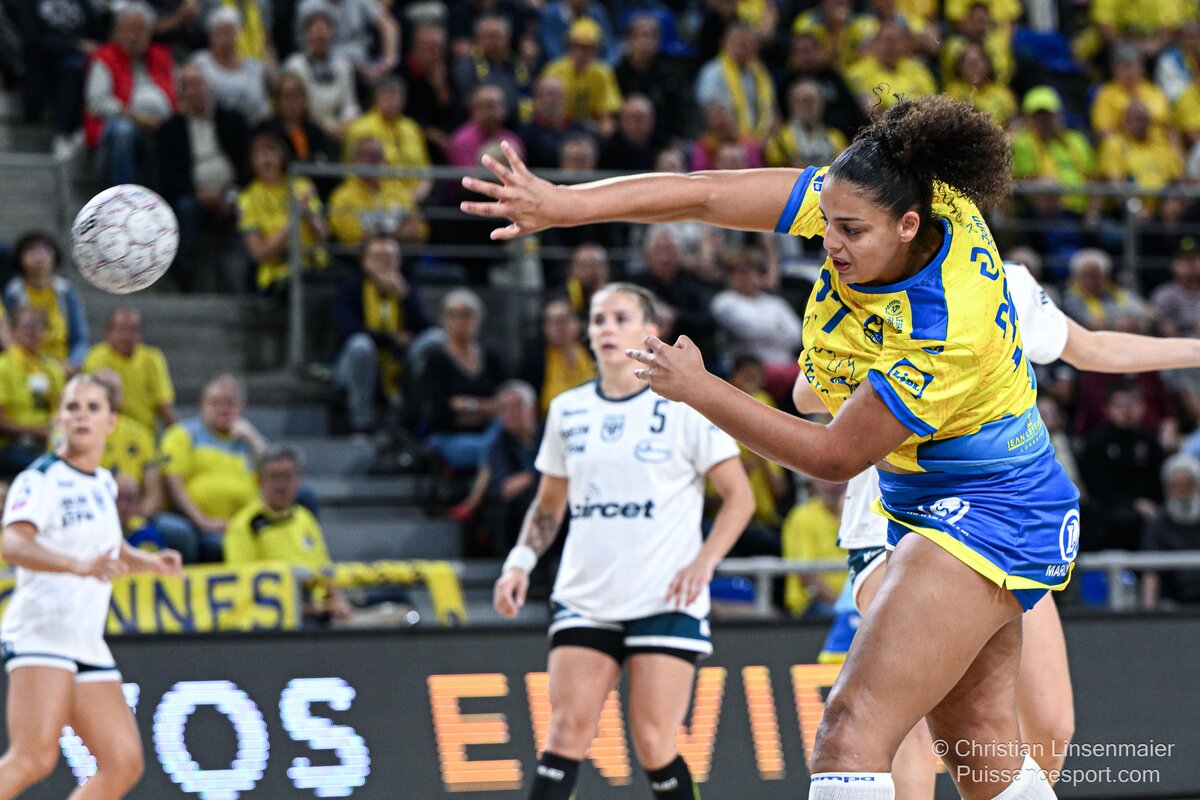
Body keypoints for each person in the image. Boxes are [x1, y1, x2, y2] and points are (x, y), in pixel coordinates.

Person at [463, 96, 1076, 799]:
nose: (830, 242)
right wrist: (566, 205)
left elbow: (833, 459)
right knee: (981, 749)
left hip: (986, 510)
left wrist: (701, 389)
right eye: (827, 222)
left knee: (848, 732)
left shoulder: (942, 325)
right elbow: (704, 193)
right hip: (960, 497)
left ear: (910, 225)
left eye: (850, 231)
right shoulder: (887, 191)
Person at [794, 258, 1200, 796]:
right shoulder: (872, 276)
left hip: (998, 522)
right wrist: (908, 370)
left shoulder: (1001, 278)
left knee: (1049, 725)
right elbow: (804, 394)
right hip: (896, 520)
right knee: (901, 731)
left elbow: (1091, 348)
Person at [492, 283, 753, 800]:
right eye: (598, 319)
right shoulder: (567, 409)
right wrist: (519, 562)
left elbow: (739, 498)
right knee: (565, 733)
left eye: (619, 318)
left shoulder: (685, 406)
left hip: (664, 598)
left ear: (649, 331)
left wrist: (704, 562)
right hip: (586, 595)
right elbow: (548, 505)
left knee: (654, 742)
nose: (606, 328)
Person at [0, 374, 182, 800]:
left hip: (84, 639)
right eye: (73, 407)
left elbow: (108, 547)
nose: (82, 416)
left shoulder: (103, 482)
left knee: (122, 764)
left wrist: (149, 562)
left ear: (111, 422)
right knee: (33, 758)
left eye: (93, 408)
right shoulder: (41, 478)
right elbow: (12, 543)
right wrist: (76, 565)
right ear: (59, 419)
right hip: (41, 632)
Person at [224, 444, 351, 622]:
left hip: (321, 611)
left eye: (287, 476)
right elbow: (243, 587)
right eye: (274, 476)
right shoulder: (244, 525)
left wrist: (339, 601)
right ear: (260, 480)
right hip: (278, 619)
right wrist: (308, 609)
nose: (281, 484)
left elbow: (325, 570)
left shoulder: (305, 517)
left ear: (298, 480)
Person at [158, 374, 264, 563]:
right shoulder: (182, 434)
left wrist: (253, 439)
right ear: (203, 404)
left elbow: (274, 479)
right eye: (216, 402)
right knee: (221, 545)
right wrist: (203, 521)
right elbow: (175, 487)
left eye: (230, 403)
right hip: (200, 524)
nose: (223, 409)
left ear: (241, 407)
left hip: (247, 525)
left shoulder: (247, 441)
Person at [332, 236, 429, 434]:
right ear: (364, 262)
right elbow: (349, 330)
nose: (385, 263)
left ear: (399, 261)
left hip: (400, 360)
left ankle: (417, 418)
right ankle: (361, 422)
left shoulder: (407, 287)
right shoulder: (351, 288)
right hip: (357, 363)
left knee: (434, 341)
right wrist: (392, 339)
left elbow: (423, 328)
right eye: (378, 257)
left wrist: (405, 296)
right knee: (361, 345)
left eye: (390, 257)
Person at [83, 2, 175, 187]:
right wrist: (138, 117)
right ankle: (124, 195)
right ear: (117, 32)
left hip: (160, 127)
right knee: (122, 130)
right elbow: (97, 102)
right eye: (128, 30)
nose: (133, 36)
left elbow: (176, 96)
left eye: (139, 30)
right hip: (117, 130)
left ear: (150, 32)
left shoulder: (162, 57)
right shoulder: (104, 58)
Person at [237, 131, 330, 294]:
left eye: (271, 150)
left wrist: (308, 213)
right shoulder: (247, 199)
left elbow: (323, 237)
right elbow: (259, 253)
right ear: (251, 161)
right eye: (259, 154)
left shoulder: (301, 186)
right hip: (278, 274)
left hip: (316, 267)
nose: (266, 158)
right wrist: (293, 220)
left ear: (282, 155)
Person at [4, 232, 88, 373]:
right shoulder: (13, 292)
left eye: (45, 250)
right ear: (20, 258)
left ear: (55, 256)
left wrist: (73, 364)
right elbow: (6, 332)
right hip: (24, 368)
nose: (39, 256)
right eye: (31, 250)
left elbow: (79, 337)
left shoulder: (66, 291)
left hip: (61, 368)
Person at [82, 308, 177, 432]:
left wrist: (177, 433)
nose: (127, 336)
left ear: (140, 335)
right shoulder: (95, 357)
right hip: (108, 431)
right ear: (108, 332)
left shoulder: (152, 358)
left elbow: (163, 403)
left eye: (133, 330)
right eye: (121, 330)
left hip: (145, 433)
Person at [0, 309, 65, 477]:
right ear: (14, 331)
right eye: (26, 326)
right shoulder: (4, 366)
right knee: (55, 468)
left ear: (45, 333)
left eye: (38, 326)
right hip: (12, 445)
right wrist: (37, 431)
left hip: (50, 442)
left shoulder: (51, 367)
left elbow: (63, 407)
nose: (32, 332)